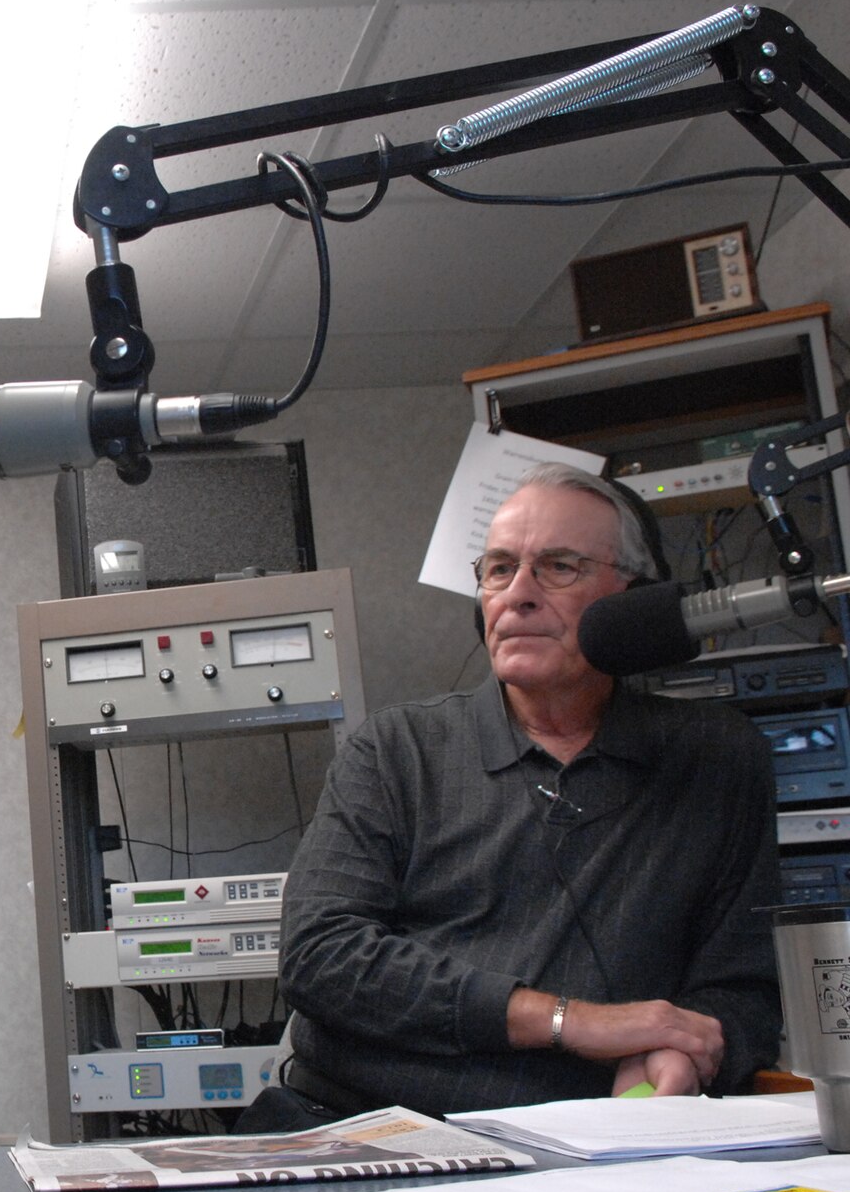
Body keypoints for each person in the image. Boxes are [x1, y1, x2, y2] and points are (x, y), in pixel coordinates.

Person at [257, 461, 780, 1124]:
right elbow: (320, 958)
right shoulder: (396, 751)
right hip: (366, 1125)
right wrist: (567, 1021)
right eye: (500, 569)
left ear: (636, 601)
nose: (518, 595)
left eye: (559, 566)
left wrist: (682, 1052)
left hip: (603, 1142)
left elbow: (743, 992)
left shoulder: (718, 758)